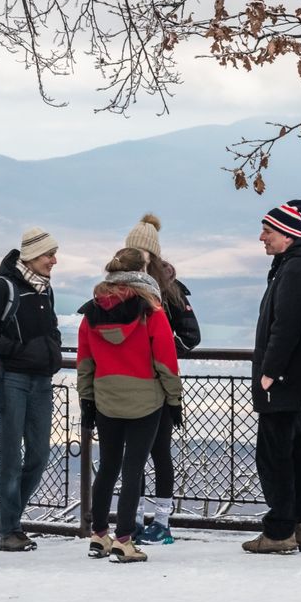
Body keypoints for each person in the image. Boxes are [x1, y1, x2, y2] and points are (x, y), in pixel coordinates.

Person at [77, 248, 183, 563]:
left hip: (106, 398)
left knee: (107, 466)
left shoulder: (92, 313)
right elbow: (166, 361)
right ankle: (124, 540)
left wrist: (87, 400)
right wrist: (174, 401)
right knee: (133, 468)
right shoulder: (152, 312)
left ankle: (98, 535)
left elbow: (85, 363)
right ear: (144, 273)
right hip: (146, 400)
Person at [242, 200, 301, 555]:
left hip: (286, 382)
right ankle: (299, 525)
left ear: (288, 234)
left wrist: (269, 373)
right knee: (295, 454)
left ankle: (279, 531)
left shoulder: (295, 271)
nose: (261, 237)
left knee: (274, 455)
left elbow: (286, 327)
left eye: (268, 231)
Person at [0, 227, 62, 552]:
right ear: (31, 255)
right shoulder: (4, 288)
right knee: (10, 455)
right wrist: (23, 352)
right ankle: (9, 530)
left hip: (41, 381)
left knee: (39, 455)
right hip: (9, 379)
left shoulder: (45, 291)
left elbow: (50, 328)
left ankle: (5, 516)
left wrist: (52, 347)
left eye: (54, 255)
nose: (54, 261)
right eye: (48, 255)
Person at [121, 214, 201, 546]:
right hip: (129, 382)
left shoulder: (170, 290)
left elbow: (191, 335)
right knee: (133, 455)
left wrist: (163, 352)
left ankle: (163, 522)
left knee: (159, 452)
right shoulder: (121, 286)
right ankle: (135, 519)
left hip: (159, 384)